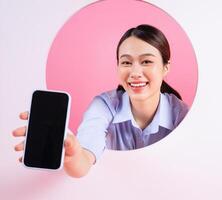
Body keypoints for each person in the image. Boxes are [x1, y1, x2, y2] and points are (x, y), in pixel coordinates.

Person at [12, 24, 189, 178]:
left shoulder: (180, 113)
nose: (135, 72)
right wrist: (72, 152)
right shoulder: (104, 106)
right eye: (126, 62)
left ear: (166, 67)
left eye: (146, 61)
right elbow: (84, 161)